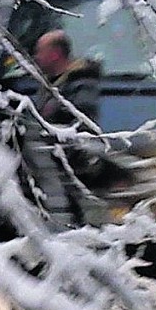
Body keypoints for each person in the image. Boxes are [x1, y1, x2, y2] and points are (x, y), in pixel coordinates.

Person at [31, 29, 102, 226]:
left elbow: (80, 127)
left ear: (54, 54)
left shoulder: (81, 84)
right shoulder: (50, 84)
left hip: (73, 174)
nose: (36, 57)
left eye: (40, 52)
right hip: (51, 174)